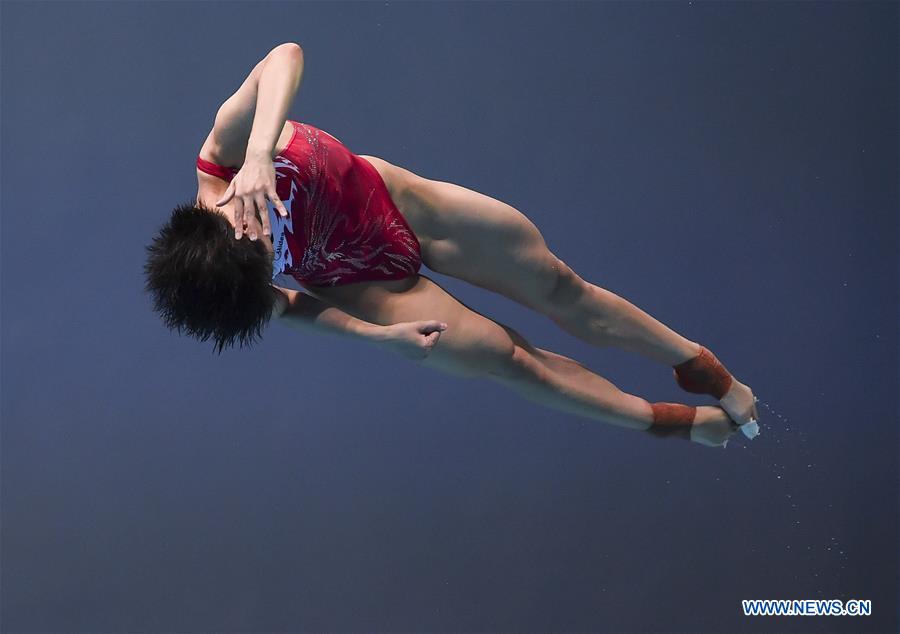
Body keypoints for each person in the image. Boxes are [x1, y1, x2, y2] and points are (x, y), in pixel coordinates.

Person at [145, 43, 760, 447]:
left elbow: (283, 57)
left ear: (218, 220)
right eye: (263, 257)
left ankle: (694, 362)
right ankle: (667, 423)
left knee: (559, 285)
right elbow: (294, 307)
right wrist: (378, 336)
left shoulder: (223, 154)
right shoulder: (236, 280)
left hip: (401, 205)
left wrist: (259, 154)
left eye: (251, 236)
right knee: (506, 357)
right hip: (366, 285)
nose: (264, 240)